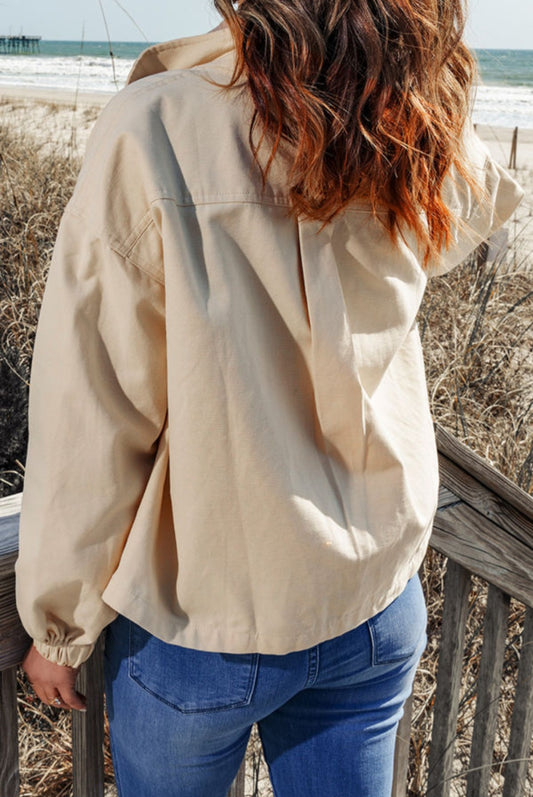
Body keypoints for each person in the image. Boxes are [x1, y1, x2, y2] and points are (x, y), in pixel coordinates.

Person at [17, 2, 523, 796]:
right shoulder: (400, 108)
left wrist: (60, 624)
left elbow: (95, 407)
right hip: (371, 594)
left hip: (207, 614)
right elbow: (468, 213)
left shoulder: (155, 124)